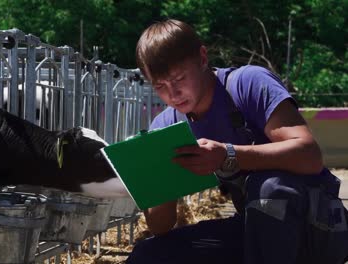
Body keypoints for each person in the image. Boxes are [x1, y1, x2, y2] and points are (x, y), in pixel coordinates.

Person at [127, 19, 348, 264]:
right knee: (148, 256)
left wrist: (228, 155)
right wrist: (153, 179)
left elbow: (310, 155)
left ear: (202, 58)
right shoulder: (166, 127)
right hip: (255, 232)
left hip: (317, 228)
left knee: (269, 188)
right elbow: (161, 226)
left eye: (179, 79)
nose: (172, 93)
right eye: (160, 86)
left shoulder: (248, 84)